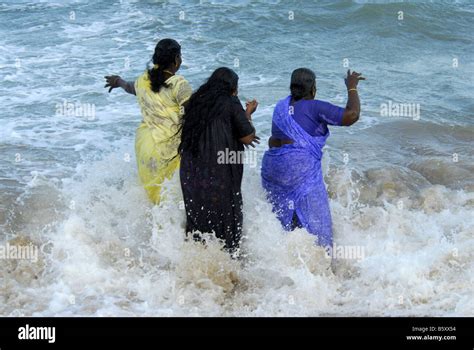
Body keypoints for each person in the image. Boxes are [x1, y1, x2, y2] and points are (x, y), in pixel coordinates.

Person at [261, 68, 364, 247]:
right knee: (318, 230)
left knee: (284, 223)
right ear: (313, 88)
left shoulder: (280, 107)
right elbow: (352, 115)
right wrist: (352, 87)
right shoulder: (315, 107)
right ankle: (321, 266)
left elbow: (273, 140)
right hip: (298, 168)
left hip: (272, 168)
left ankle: (281, 263)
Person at [178, 67, 259, 255]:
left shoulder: (195, 102)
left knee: (197, 217)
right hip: (220, 172)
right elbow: (247, 137)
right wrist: (248, 113)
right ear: (231, 88)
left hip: (192, 171)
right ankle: (228, 263)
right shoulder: (230, 102)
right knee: (226, 219)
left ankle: (195, 262)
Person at [104, 38, 192, 204]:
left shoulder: (143, 80)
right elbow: (193, 113)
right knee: (174, 197)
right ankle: (174, 228)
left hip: (146, 145)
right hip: (171, 149)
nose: (181, 60)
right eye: (180, 56)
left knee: (154, 196)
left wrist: (118, 81)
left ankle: (153, 227)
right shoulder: (179, 84)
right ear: (175, 60)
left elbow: (130, 87)